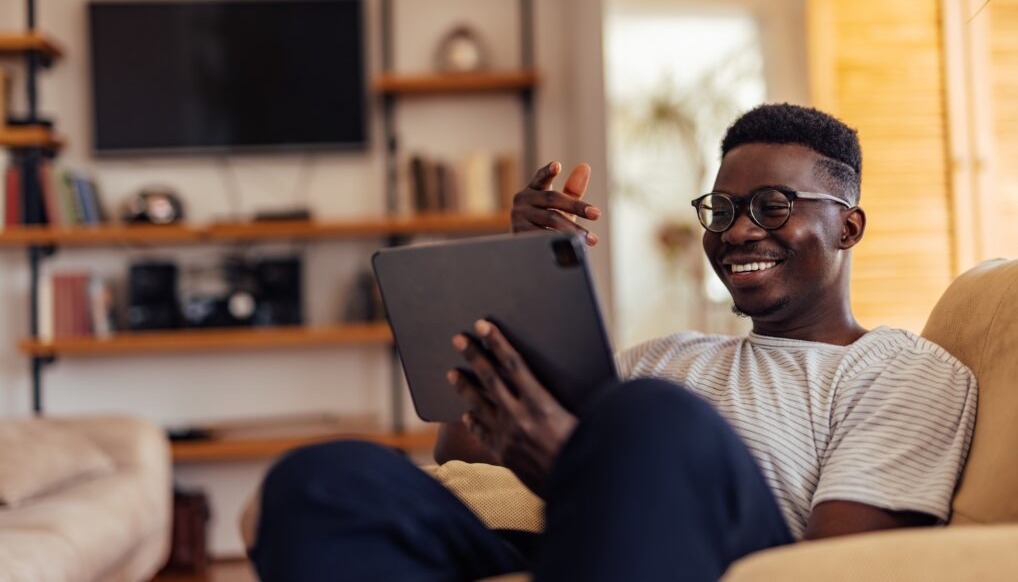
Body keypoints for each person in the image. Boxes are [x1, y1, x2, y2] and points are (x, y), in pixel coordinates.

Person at [251, 103, 977, 581]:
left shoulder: (904, 370)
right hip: (562, 551)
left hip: (715, 563)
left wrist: (578, 464)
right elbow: (462, 443)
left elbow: (843, 567)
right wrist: (519, 275)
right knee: (325, 481)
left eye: (772, 206)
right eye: (721, 208)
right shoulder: (668, 355)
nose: (738, 230)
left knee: (651, 418)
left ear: (848, 227)